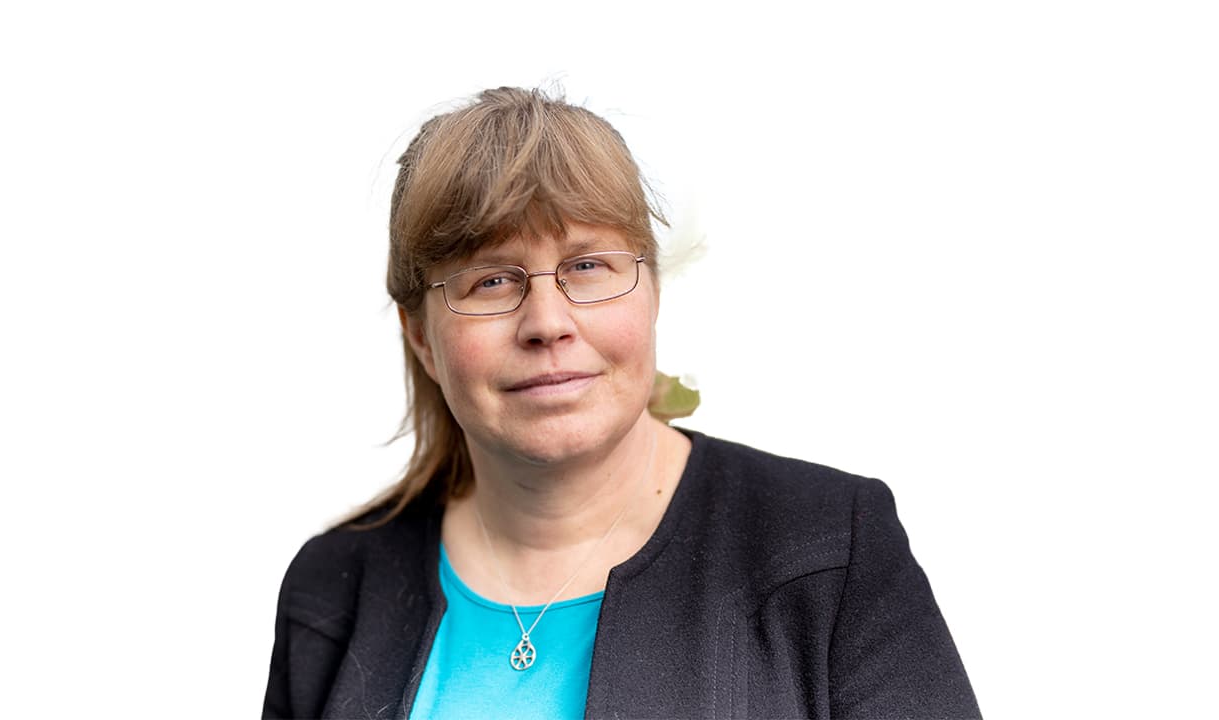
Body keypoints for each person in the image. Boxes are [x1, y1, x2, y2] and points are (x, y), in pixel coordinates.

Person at [262, 87, 980, 719]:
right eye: (491, 281)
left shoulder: (829, 547)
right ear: (420, 336)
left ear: (652, 293)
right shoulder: (333, 586)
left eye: (587, 266)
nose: (547, 323)